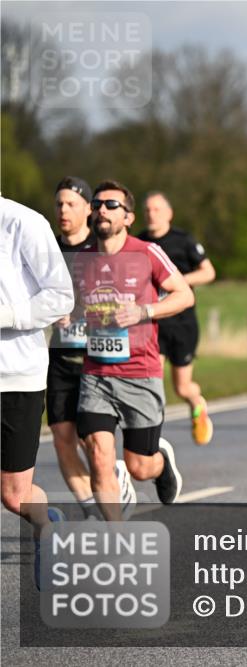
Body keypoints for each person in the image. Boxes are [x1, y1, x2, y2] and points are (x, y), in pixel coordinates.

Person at [74, 180, 194, 519]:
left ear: (128, 217)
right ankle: (116, 541)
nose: (102, 210)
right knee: (98, 455)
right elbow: (71, 303)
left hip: (140, 374)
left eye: (111, 205)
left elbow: (185, 295)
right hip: (96, 374)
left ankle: (161, 463)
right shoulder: (81, 259)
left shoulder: (146, 253)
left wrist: (145, 311)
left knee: (139, 467)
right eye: (97, 204)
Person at [48, 177, 136, 518]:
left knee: (92, 441)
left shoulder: (101, 247)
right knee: (61, 436)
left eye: (71, 203)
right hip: (58, 357)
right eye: (59, 204)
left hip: (94, 357)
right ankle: (92, 510)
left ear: (88, 209)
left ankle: (114, 477)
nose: (63, 210)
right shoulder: (48, 250)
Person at [1, 195, 74, 581]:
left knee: (14, 495)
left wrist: (8, 315)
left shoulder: (23, 222)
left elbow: (61, 296)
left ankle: (47, 526)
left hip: (16, 374)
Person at [137, 192, 215, 445]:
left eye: (157, 209)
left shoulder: (183, 241)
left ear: (169, 213)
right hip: (153, 323)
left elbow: (208, 273)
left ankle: (197, 405)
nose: (152, 214)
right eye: (148, 210)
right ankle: (150, 435)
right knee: (152, 379)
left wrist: (177, 281)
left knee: (182, 387)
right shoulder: (139, 242)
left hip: (182, 323)